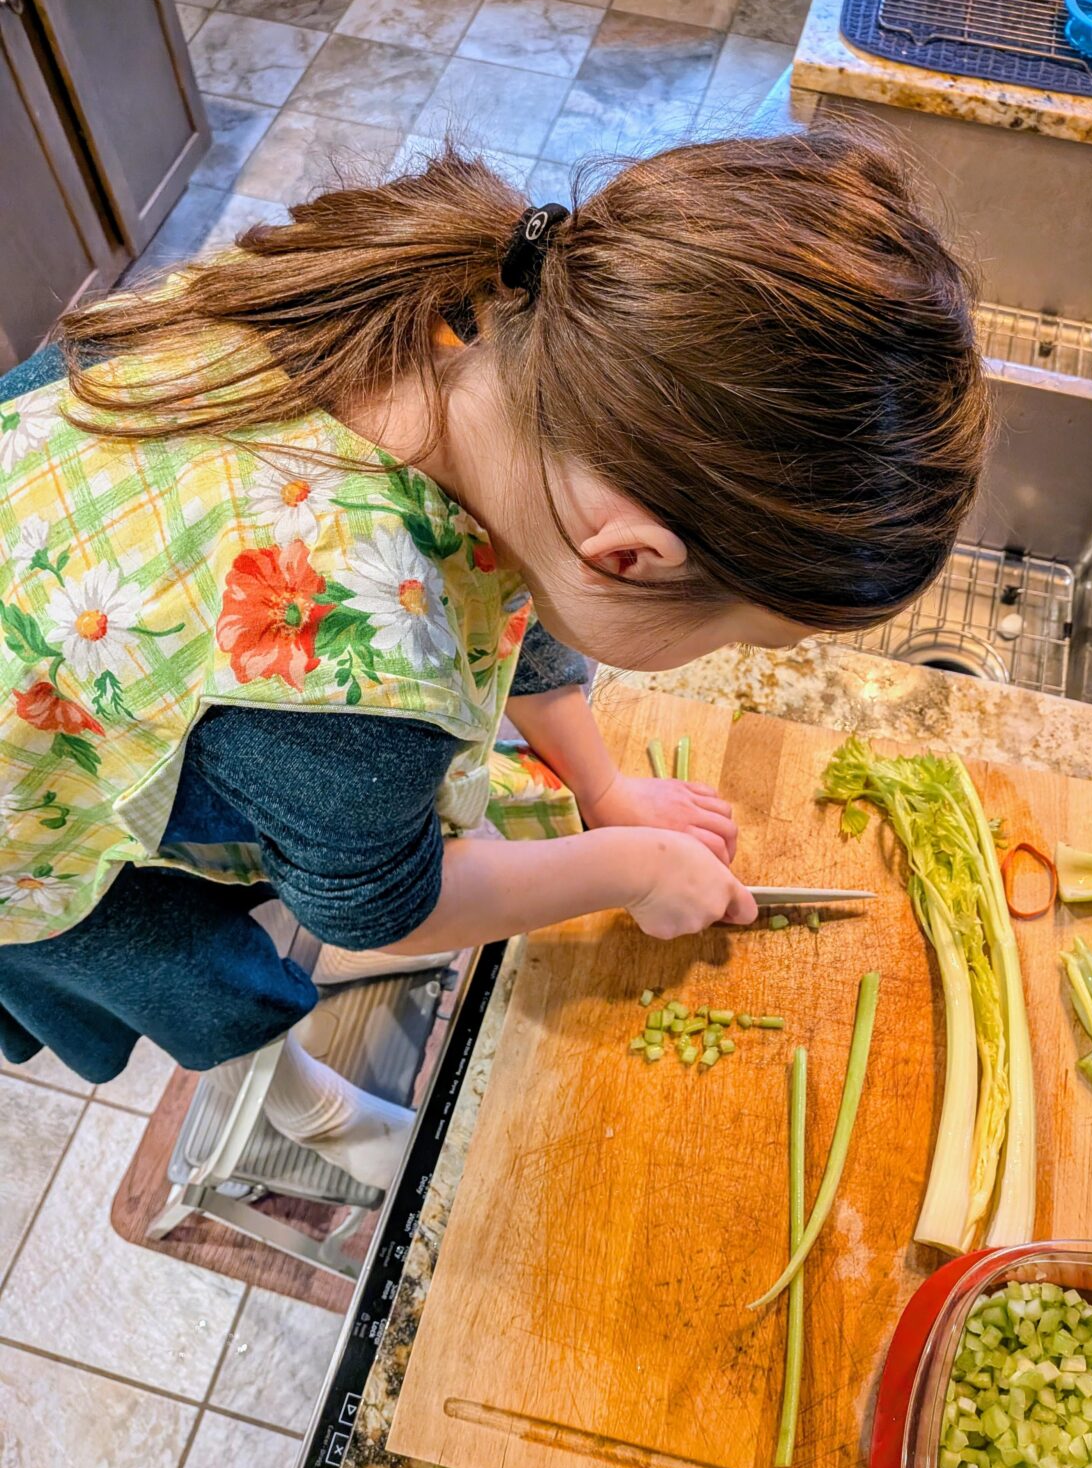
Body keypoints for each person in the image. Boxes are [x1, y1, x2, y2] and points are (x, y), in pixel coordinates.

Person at [0, 131, 989, 1184]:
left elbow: (526, 580)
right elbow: (380, 910)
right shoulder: (353, 706)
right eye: (739, 630)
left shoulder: (493, 321)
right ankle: (298, 1106)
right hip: (28, 801)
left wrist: (603, 788)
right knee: (190, 966)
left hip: (104, 625)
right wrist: (630, 868)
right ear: (635, 554)